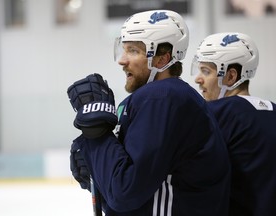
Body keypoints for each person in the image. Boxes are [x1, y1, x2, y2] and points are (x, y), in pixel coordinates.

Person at [68, 10, 231, 216]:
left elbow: (125, 192)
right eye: (123, 49)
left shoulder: (163, 96)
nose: (122, 60)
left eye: (133, 51)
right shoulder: (155, 99)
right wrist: (100, 167)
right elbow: (124, 192)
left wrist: (97, 135)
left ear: (162, 59)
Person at [192, 32, 276, 216]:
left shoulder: (216, 112)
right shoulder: (273, 109)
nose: (198, 79)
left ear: (231, 76)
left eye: (206, 71)